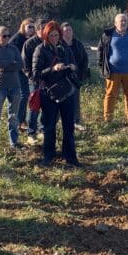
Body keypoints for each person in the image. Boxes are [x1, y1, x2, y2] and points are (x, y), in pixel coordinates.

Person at [32, 21, 80, 167]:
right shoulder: (40, 50)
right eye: (51, 35)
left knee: (68, 126)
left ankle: (70, 156)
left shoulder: (65, 48)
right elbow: (36, 74)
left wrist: (72, 67)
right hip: (49, 93)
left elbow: (75, 64)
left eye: (56, 35)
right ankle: (48, 156)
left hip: (66, 91)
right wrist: (53, 69)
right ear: (46, 35)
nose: (54, 38)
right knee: (49, 126)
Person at [98, 13, 128, 126]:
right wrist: (101, 66)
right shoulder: (108, 35)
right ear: (115, 23)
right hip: (113, 71)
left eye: (125, 20)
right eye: (121, 21)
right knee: (110, 94)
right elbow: (100, 51)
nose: (123, 23)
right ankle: (108, 118)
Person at [0, 26, 24, 149]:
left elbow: (20, 64)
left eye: (8, 35)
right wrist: (11, 64)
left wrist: (6, 66)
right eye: (4, 36)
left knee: (14, 116)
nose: (7, 38)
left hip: (15, 86)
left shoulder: (14, 49)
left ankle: (14, 142)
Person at [22, 18, 49, 144]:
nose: (46, 30)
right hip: (35, 81)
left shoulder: (50, 42)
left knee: (47, 107)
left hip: (49, 80)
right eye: (43, 28)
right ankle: (31, 133)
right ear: (37, 29)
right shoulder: (29, 43)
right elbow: (25, 64)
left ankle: (43, 130)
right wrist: (33, 78)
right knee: (34, 107)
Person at [61, 22, 89, 130]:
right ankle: (58, 122)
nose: (68, 32)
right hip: (62, 78)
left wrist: (81, 75)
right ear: (62, 32)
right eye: (65, 30)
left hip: (75, 77)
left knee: (75, 100)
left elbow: (84, 60)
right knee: (60, 100)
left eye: (70, 30)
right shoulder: (58, 45)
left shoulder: (78, 44)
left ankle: (76, 121)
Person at [9, 17, 35, 131]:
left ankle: (26, 120)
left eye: (33, 27)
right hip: (19, 71)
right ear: (23, 26)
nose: (31, 29)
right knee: (24, 95)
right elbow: (9, 51)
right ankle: (20, 121)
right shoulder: (17, 38)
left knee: (30, 95)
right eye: (29, 26)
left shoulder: (31, 39)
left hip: (29, 71)